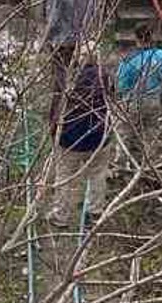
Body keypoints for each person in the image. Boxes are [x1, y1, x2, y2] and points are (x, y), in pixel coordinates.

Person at [47, 43, 113, 226]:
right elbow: (112, 101)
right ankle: (95, 212)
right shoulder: (105, 76)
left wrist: (53, 132)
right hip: (99, 137)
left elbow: (56, 107)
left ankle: (61, 215)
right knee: (97, 174)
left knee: (64, 176)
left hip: (70, 138)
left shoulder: (67, 78)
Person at [43, 0, 94, 91]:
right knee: (77, 77)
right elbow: (91, 10)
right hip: (81, 40)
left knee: (60, 80)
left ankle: (60, 107)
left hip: (62, 42)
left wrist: (46, 39)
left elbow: (53, 21)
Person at [116, 23, 162, 120]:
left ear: (135, 37)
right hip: (155, 102)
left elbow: (122, 86)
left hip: (133, 105)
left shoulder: (128, 60)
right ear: (152, 36)